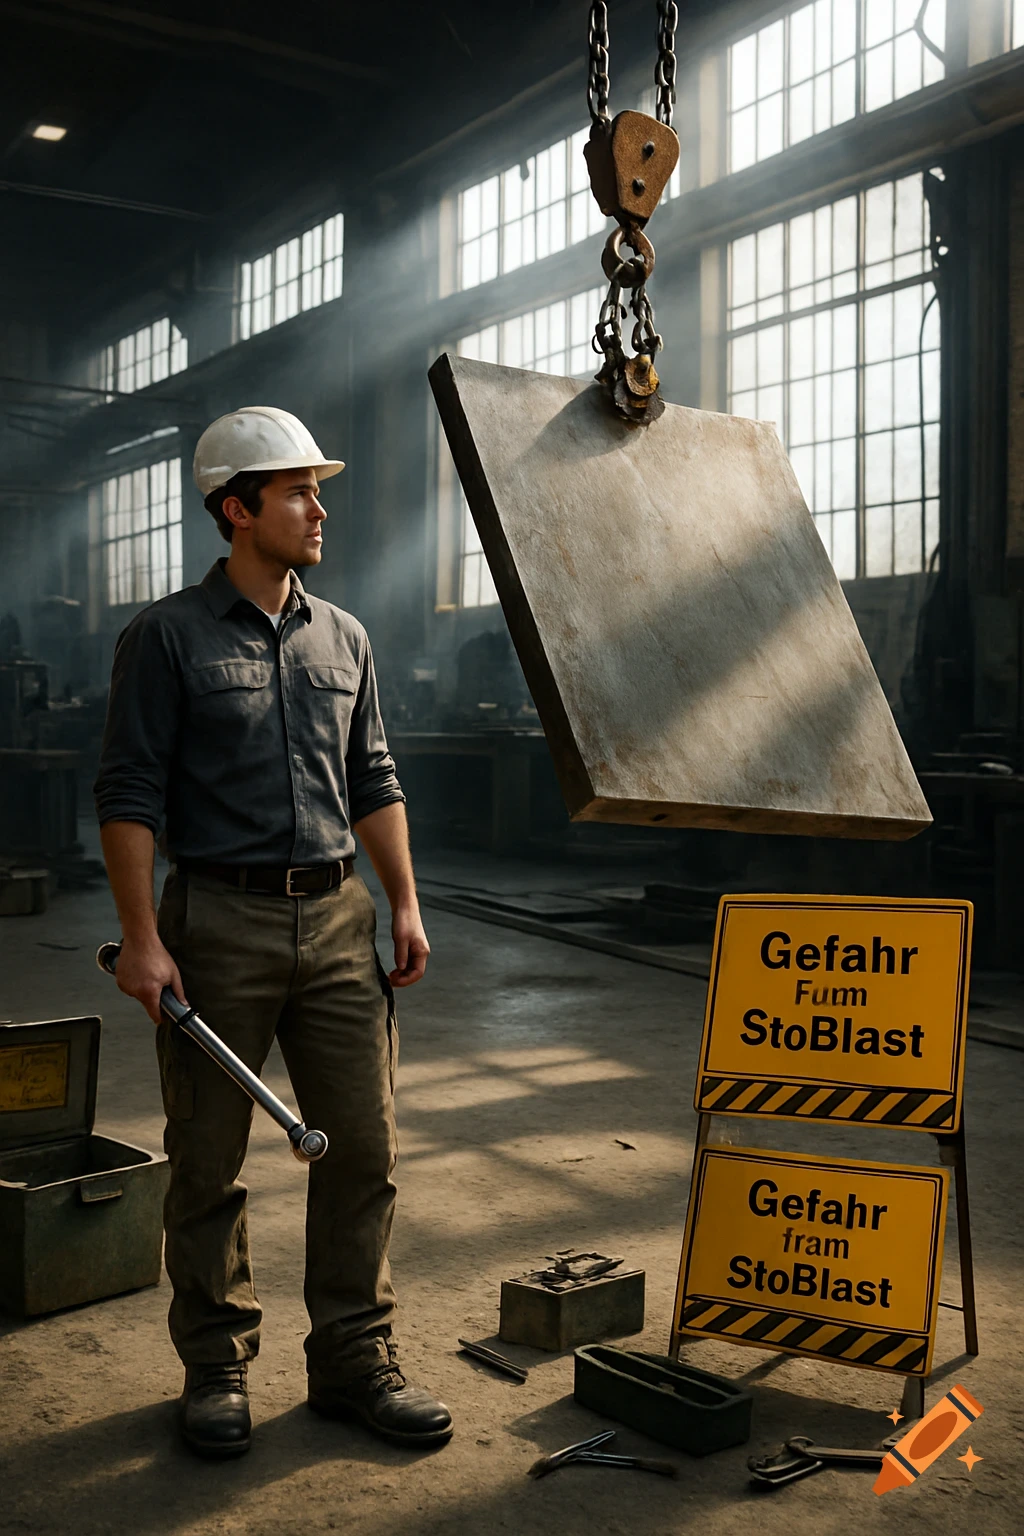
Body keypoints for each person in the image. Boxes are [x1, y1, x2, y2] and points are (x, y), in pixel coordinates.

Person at [94, 406, 452, 1459]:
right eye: (297, 491)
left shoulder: (345, 636)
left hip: (341, 922)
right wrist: (142, 937)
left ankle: (352, 1361)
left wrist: (403, 902)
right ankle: (216, 1366)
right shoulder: (165, 638)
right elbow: (128, 793)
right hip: (218, 923)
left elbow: (372, 777)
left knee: (365, 1150)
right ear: (236, 509)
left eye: (316, 488)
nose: (318, 508)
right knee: (208, 1159)